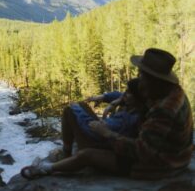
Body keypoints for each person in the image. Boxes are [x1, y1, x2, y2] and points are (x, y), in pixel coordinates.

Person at [20, 48, 193, 180]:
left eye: (141, 74)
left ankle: (47, 170)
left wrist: (107, 134)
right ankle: (62, 159)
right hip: (174, 156)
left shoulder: (164, 111)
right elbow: (139, 98)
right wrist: (118, 100)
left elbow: (142, 153)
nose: (139, 77)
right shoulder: (170, 93)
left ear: (152, 79)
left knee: (87, 155)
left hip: (160, 166)